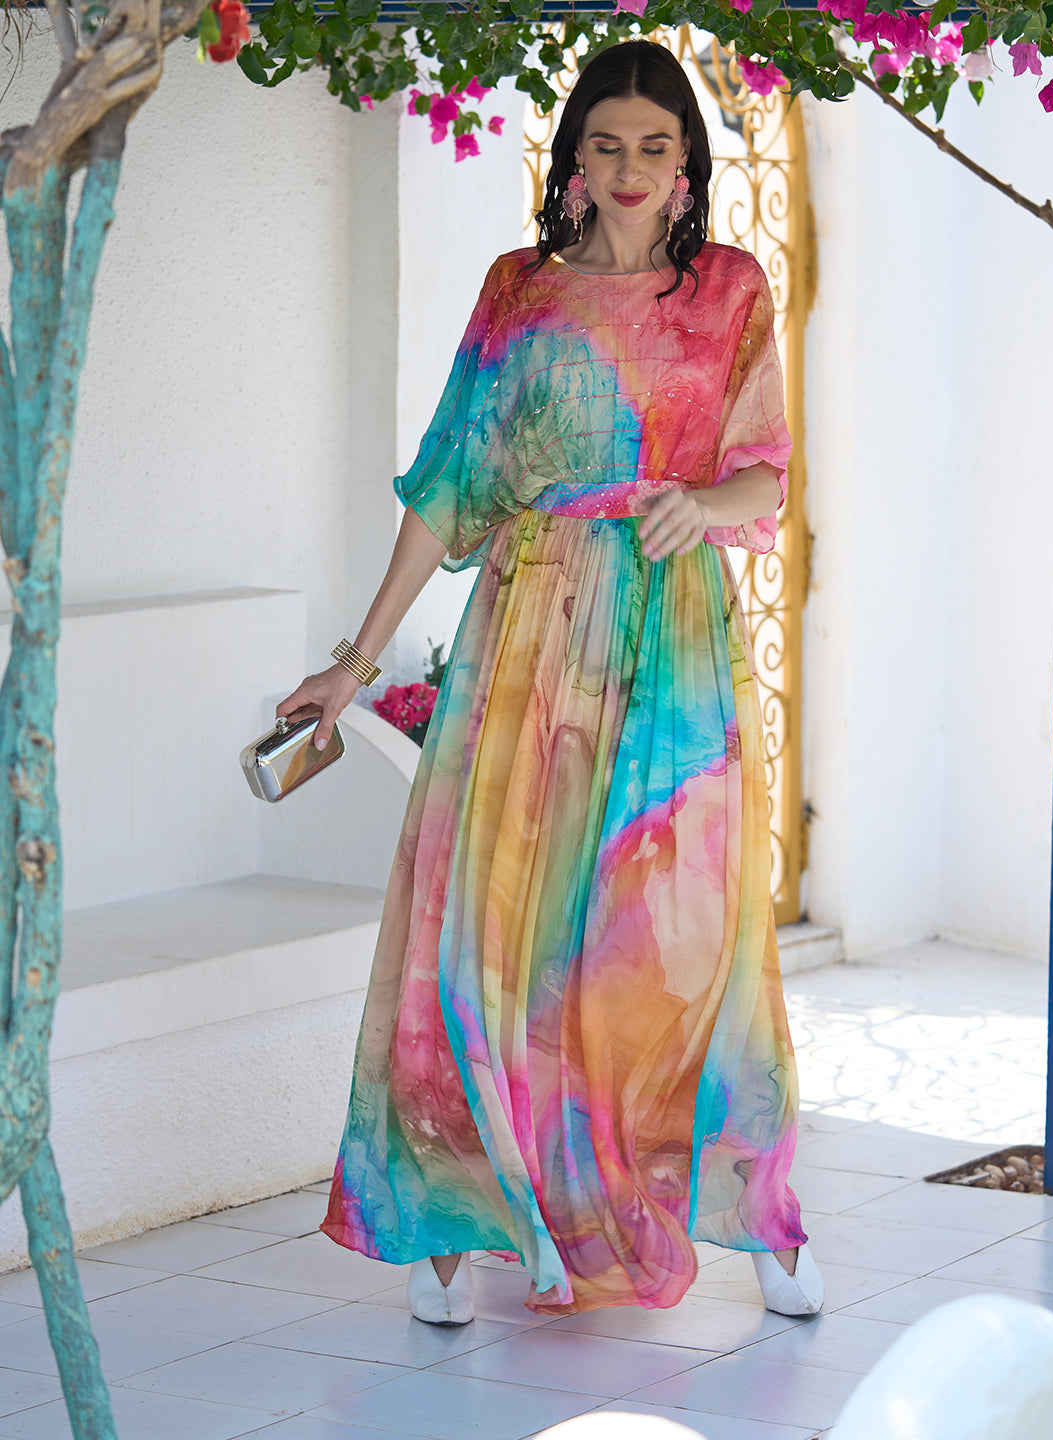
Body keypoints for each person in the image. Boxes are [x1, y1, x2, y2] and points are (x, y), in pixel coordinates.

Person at [278, 38, 823, 1325]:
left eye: (655, 146)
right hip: (525, 635)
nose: (630, 168)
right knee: (486, 925)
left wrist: (700, 502)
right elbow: (447, 484)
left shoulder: (731, 289)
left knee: (679, 936)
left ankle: (756, 1216)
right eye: (606, 143)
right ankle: (453, 1225)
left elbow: (765, 469)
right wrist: (355, 663)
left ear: (687, 164)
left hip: (670, 644)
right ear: (573, 158)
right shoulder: (518, 290)